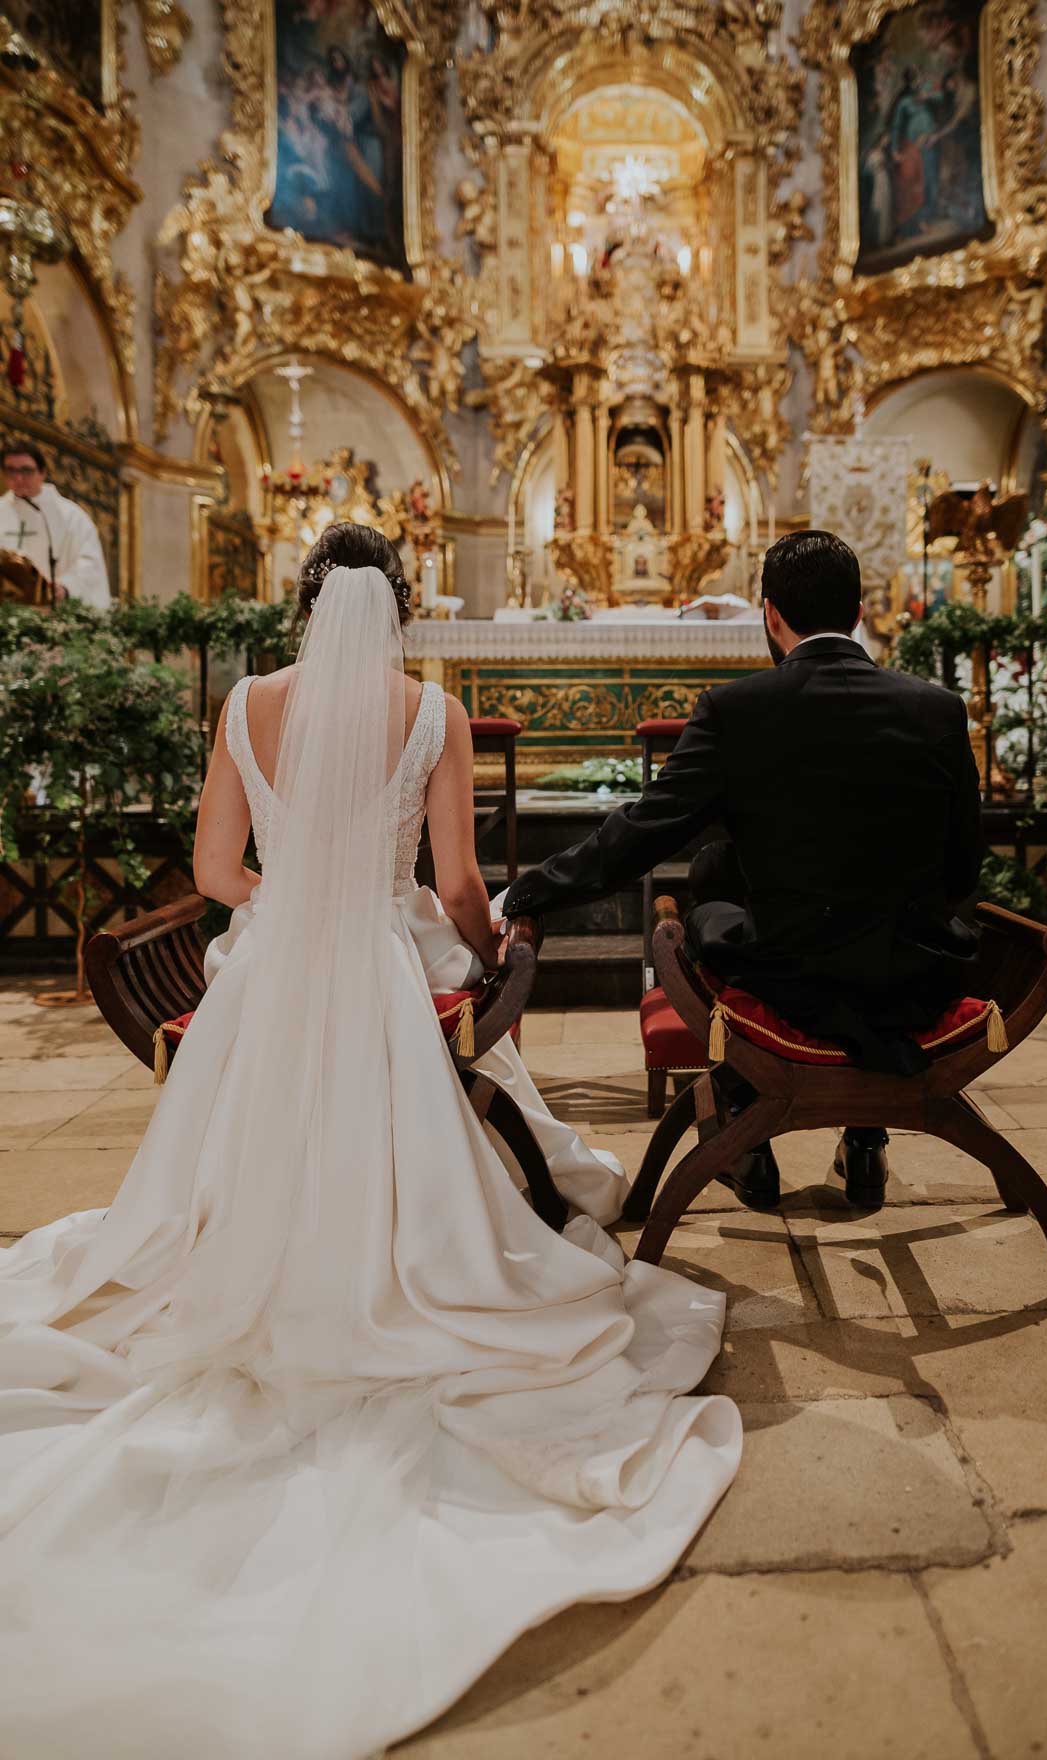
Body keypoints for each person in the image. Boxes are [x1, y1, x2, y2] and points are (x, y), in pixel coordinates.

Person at [0, 521, 739, 1758]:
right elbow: (456, 885)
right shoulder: (431, 712)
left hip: (269, 963)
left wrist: (293, 899)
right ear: (398, 606)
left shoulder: (246, 701)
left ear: (304, 603)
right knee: (444, 1074)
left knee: (237, 1135)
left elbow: (212, 867)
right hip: (387, 969)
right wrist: (467, 928)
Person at [502, 530, 984, 1212]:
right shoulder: (935, 709)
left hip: (791, 981)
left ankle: (744, 1130)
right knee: (730, 877)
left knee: (706, 900)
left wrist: (530, 890)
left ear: (769, 613)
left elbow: (642, 833)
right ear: (857, 612)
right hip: (914, 978)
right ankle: (863, 1137)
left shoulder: (738, 710)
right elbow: (963, 866)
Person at [0, 442, 111, 608]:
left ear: (42, 472)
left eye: (26, 470)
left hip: (52, 613)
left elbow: (89, 562)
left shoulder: (71, 517)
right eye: (11, 471)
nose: (18, 478)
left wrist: (65, 586)